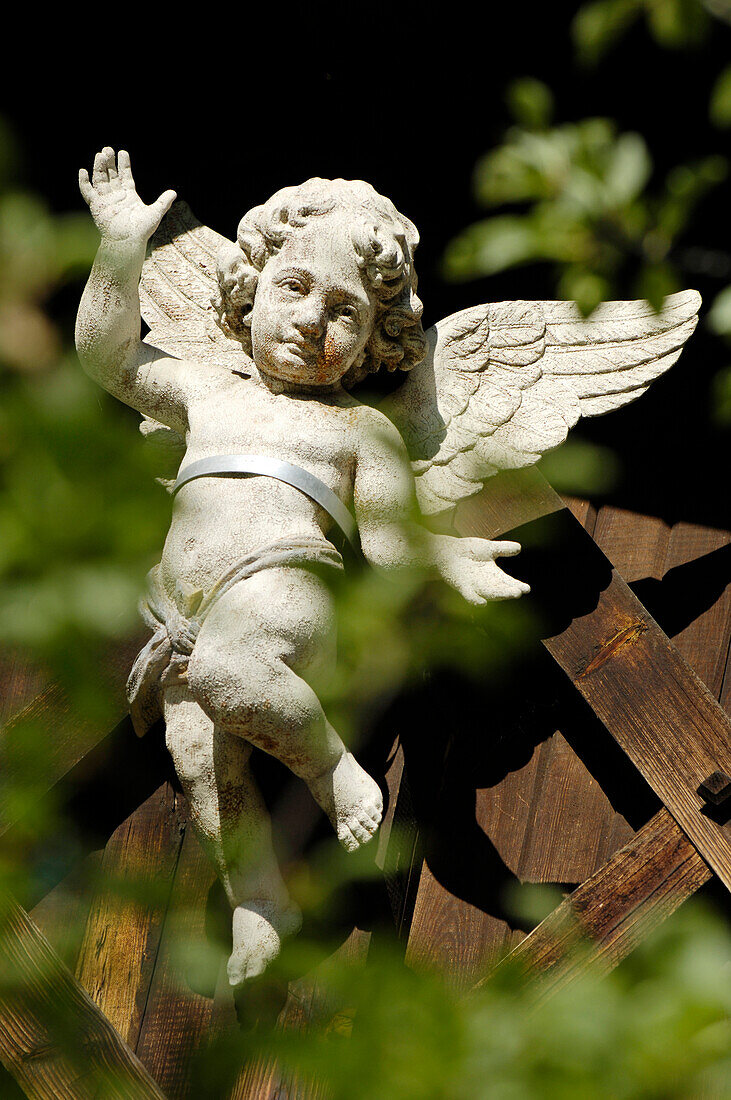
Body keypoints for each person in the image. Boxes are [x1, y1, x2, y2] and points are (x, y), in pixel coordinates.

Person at [76, 148, 527, 984]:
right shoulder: (209, 393)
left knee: (231, 668)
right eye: (292, 288)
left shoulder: (361, 431)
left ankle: (334, 774)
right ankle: (256, 900)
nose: (313, 320)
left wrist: (446, 556)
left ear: (373, 345)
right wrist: (118, 250)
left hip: (285, 597)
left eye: (345, 312)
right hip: (181, 619)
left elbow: (390, 542)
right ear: (248, 291)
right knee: (201, 760)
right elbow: (107, 359)